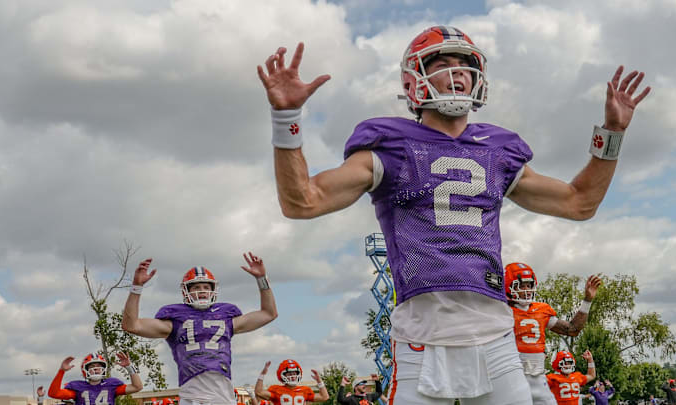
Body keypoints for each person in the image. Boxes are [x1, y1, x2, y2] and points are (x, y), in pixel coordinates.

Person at [257, 25, 650, 405]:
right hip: (420, 336)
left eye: (464, 64)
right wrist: (285, 119)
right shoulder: (388, 146)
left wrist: (612, 133)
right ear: (413, 81)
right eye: (441, 63)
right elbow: (302, 202)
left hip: (495, 335)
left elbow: (579, 203)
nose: (456, 73)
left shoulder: (499, 151)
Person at [121, 252, 278, 405]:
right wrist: (137, 287)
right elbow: (131, 325)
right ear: (186, 291)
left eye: (205, 286)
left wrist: (261, 279)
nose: (202, 291)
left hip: (223, 395)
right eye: (196, 287)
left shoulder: (227, 318)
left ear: (213, 290)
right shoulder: (174, 321)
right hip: (191, 396)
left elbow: (269, 313)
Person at [505, 262, 601, 404]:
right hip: (511, 373)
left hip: (537, 375)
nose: (526, 290)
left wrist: (587, 301)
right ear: (508, 286)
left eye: (529, 285)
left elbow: (573, 329)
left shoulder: (541, 310)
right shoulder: (502, 310)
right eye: (521, 285)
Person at [47, 352, 143, 404]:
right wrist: (61, 371)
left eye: (98, 366)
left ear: (103, 369)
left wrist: (129, 367)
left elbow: (137, 387)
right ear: (85, 370)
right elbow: (53, 393)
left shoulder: (111, 385)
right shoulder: (78, 387)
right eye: (92, 367)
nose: (96, 369)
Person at [254, 359, 329, 404]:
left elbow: (324, 397)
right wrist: (262, 374)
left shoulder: (305, 390)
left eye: (294, 373)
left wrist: (319, 381)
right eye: (289, 373)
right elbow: (258, 392)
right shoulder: (276, 390)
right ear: (282, 375)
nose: (292, 376)